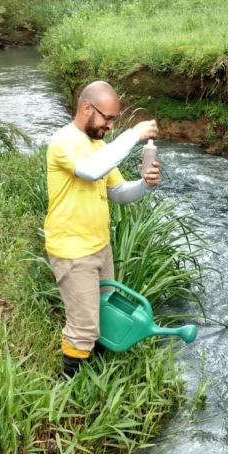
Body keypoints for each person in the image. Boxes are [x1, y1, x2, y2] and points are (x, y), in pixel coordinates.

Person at [44, 80, 160, 377]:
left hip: (99, 247)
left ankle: (95, 373)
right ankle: (68, 388)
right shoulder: (64, 142)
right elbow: (92, 170)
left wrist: (145, 186)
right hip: (72, 251)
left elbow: (119, 192)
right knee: (83, 327)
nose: (110, 126)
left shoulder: (98, 145)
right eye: (107, 118)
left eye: (114, 120)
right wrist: (134, 133)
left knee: (102, 314)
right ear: (86, 108)